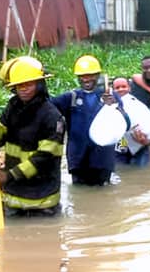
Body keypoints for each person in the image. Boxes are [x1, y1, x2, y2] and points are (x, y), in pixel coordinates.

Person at [0, 56, 65, 217]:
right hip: (13, 195)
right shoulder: (13, 106)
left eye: (29, 84)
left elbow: (43, 159)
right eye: (19, 85)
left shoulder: (52, 117)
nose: (23, 89)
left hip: (42, 201)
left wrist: (7, 175)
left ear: (40, 85)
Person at [51, 55, 122, 186]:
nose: (86, 79)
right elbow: (46, 107)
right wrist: (39, 84)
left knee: (104, 196)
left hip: (103, 159)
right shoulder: (70, 97)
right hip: (78, 159)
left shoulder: (111, 96)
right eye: (82, 76)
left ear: (98, 75)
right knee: (79, 194)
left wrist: (114, 107)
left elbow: (125, 123)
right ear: (78, 77)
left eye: (90, 75)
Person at [112, 77, 150, 166]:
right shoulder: (109, 106)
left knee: (142, 172)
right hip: (120, 147)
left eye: (123, 86)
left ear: (129, 88)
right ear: (113, 90)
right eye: (117, 88)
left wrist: (147, 141)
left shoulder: (138, 105)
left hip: (140, 145)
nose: (121, 89)